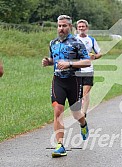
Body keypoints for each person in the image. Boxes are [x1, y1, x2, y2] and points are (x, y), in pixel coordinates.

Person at [41, 15, 91, 158]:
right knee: (58, 110)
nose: (61, 29)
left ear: (70, 27)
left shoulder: (77, 42)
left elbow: (87, 62)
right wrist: (48, 62)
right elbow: (54, 59)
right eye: (59, 26)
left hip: (74, 81)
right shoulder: (53, 42)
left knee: (76, 113)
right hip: (58, 80)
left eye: (64, 26)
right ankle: (60, 145)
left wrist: (70, 64)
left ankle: (83, 124)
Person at [76, 19, 102, 118]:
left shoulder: (91, 40)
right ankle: (78, 112)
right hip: (76, 70)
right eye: (79, 27)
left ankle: (83, 114)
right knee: (77, 95)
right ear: (77, 29)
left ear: (87, 28)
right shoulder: (73, 40)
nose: (81, 28)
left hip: (88, 70)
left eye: (83, 26)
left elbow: (99, 53)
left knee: (85, 93)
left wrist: (94, 57)